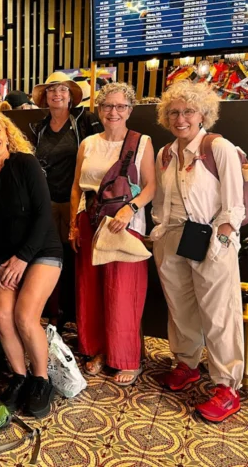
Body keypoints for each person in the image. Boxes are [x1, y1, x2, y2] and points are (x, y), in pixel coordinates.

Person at [152, 80, 245, 422]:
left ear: (203, 114)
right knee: (181, 307)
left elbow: (234, 205)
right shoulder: (166, 153)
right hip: (175, 239)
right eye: (174, 112)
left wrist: (220, 241)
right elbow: (161, 203)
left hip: (211, 239)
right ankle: (187, 363)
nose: (181, 118)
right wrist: (160, 231)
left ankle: (226, 386)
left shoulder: (218, 148)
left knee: (220, 314)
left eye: (188, 111)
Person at [0, 111, 62, 418]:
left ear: (7, 133)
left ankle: (41, 380)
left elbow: (44, 216)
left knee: (24, 315)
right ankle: (20, 377)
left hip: (41, 251)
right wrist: (2, 264)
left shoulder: (26, 163)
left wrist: (22, 258)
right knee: (3, 315)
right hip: (7, 259)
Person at [69, 82, 156, 386]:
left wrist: (129, 209)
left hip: (124, 225)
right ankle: (99, 350)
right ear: (100, 109)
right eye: (107, 106)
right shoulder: (88, 143)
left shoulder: (141, 142)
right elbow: (77, 187)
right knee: (90, 290)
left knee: (123, 291)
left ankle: (128, 357)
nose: (113, 112)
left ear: (130, 110)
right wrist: (72, 225)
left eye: (121, 107)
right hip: (89, 220)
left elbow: (150, 186)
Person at [30, 72, 104, 328]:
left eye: (62, 89)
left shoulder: (85, 122)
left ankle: (79, 317)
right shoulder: (38, 128)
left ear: (71, 96)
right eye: (52, 90)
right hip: (48, 203)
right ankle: (54, 314)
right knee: (51, 258)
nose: (56, 94)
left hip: (80, 201)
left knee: (76, 259)